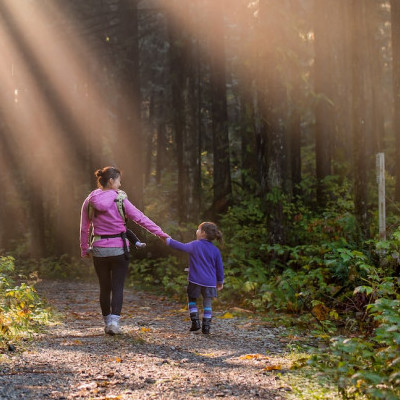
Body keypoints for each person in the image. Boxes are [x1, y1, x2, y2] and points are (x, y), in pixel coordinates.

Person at [80, 166, 169, 335]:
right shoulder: (120, 199)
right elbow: (141, 218)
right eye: (119, 181)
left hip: (99, 249)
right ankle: (114, 323)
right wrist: (161, 234)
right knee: (118, 286)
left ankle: (107, 323)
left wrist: (84, 248)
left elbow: (84, 228)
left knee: (104, 287)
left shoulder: (90, 200)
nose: (120, 185)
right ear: (112, 181)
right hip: (119, 249)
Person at [165, 222, 224, 334]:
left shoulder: (195, 245)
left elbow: (180, 246)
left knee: (192, 299)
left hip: (195, 280)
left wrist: (167, 240)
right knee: (207, 303)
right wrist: (220, 281)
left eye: (198, 229)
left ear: (203, 233)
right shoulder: (215, 250)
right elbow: (219, 268)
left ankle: (195, 321)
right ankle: (206, 326)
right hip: (210, 282)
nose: (196, 231)